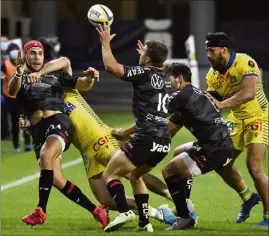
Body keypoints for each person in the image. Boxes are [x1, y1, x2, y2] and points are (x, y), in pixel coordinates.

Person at [22, 56, 178, 225]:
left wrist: (42, 72)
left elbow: (66, 62)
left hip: (99, 137)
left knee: (133, 173)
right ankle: (157, 213)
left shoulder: (65, 84)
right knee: (107, 200)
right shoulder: (45, 104)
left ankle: (175, 198)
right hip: (86, 152)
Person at [8, 40, 106, 226]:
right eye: (32, 53)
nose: (36, 57)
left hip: (58, 122)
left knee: (46, 154)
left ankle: (40, 211)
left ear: (44, 56)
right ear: (25, 56)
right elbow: (12, 89)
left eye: (39, 53)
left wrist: (91, 78)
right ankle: (96, 210)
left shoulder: (55, 74)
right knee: (56, 179)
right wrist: (20, 73)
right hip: (38, 132)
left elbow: (81, 84)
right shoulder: (22, 77)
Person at [96, 25, 172, 232]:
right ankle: (144, 221)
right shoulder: (166, 77)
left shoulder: (143, 73)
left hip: (146, 138)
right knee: (135, 175)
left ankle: (125, 211)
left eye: (144, 51)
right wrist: (147, 57)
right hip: (163, 141)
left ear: (148, 59)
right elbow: (156, 66)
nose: (141, 53)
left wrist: (105, 42)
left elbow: (112, 67)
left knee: (110, 174)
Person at [157, 62, 234, 230]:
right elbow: (168, 130)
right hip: (220, 144)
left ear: (178, 79)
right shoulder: (192, 95)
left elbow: (157, 111)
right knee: (179, 152)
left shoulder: (182, 96)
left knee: (168, 171)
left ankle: (184, 216)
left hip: (215, 149)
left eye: (169, 79)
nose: (168, 84)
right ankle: (186, 205)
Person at [205, 32, 268, 227]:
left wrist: (221, 105)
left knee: (254, 167)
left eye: (211, 50)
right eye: (206, 50)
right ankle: (248, 197)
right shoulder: (212, 74)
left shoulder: (245, 62)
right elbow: (210, 101)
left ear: (224, 50)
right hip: (235, 120)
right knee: (220, 163)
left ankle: (268, 214)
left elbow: (249, 93)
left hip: (259, 117)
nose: (208, 55)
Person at [1, 43, 31, 151]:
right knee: (14, 122)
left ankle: (27, 144)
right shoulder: (5, 65)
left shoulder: (24, 64)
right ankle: (16, 145)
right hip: (10, 97)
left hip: (22, 97)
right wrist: (1, 94)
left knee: (25, 120)